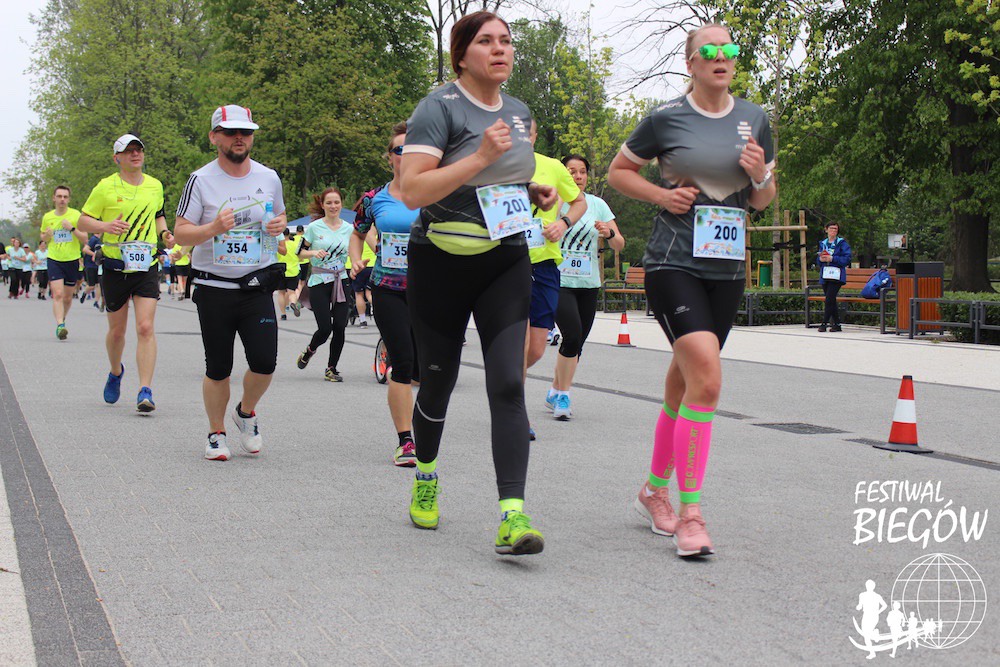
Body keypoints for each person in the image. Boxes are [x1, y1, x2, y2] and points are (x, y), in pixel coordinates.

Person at [608, 22, 776, 557]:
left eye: (730, 48)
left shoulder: (755, 119)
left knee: (684, 383)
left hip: (726, 269)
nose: (721, 56)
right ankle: (691, 515)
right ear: (691, 62)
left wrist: (760, 174)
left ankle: (652, 491)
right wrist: (661, 196)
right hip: (672, 263)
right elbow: (617, 173)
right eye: (710, 50)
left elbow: (763, 200)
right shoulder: (666, 118)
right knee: (707, 374)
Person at [400, 11, 558, 555]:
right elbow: (413, 191)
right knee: (437, 383)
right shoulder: (437, 108)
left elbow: (503, 179)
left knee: (508, 385)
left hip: (504, 260)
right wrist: (481, 156)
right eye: (486, 41)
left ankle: (513, 515)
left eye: (506, 41)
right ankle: (425, 475)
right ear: (462, 54)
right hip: (440, 262)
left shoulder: (519, 112)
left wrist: (530, 190)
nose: (500, 49)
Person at [173, 104, 287, 461]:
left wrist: (279, 226)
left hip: (256, 286)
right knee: (218, 367)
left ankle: (246, 412)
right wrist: (213, 228)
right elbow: (181, 233)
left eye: (246, 132)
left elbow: (279, 216)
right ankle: (216, 432)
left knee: (265, 363)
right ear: (214, 137)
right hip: (214, 287)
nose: (240, 138)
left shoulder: (269, 177)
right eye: (231, 132)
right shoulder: (200, 179)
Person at [78, 134, 172, 411]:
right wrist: (104, 226)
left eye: (138, 149)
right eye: (128, 151)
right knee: (117, 332)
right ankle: (115, 371)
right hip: (115, 266)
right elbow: (82, 221)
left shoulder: (155, 185)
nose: (135, 154)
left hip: (146, 265)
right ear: (116, 157)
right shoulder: (105, 187)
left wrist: (165, 234)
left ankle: (145, 390)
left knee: (145, 327)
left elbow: (158, 215)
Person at [350, 121, 421, 467]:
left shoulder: (437, 194)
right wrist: (355, 260)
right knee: (402, 362)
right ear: (390, 156)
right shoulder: (373, 198)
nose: (406, 155)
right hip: (388, 289)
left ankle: (427, 427)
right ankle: (406, 440)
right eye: (399, 150)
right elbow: (357, 233)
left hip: (431, 292)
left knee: (431, 367)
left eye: (413, 149)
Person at [545, 154, 624, 420]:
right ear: (563, 174)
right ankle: (563, 396)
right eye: (571, 171)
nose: (578, 176)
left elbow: (619, 244)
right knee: (572, 335)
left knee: (576, 343)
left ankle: (555, 390)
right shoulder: (553, 201)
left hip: (588, 283)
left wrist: (609, 233)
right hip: (559, 280)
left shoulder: (598, 204)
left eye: (582, 172)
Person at [522, 121, 587, 439]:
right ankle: (514, 413)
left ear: (535, 135)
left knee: (536, 349)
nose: (522, 135)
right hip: (506, 263)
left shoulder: (552, 166)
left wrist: (563, 223)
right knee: (518, 344)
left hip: (545, 263)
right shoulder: (492, 166)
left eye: (527, 130)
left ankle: (504, 384)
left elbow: (579, 201)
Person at [296, 187, 353, 382]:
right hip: (319, 280)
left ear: (341, 204)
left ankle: (331, 368)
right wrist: (313, 253)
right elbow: (299, 253)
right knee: (325, 328)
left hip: (341, 280)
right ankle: (309, 350)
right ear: (322, 205)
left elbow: (356, 250)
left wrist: (357, 262)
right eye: (329, 202)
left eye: (336, 202)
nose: (333, 206)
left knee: (340, 326)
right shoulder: (314, 227)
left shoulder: (349, 228)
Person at [817, 221, 852, 332]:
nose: (833, 231)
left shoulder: (842, 243)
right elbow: (818, 261)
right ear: (826, 229)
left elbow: (846, 259)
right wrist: (821, 259)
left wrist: (833, 259)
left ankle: (824, 323)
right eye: (831, 228)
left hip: (837, 275)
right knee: (831, 300)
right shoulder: (823, 243)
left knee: (829, 299)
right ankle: (837, 324)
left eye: (835, 229)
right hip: (825, 274)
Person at [275, 228, 301, 319]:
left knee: (281, 293)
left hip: (280, 270)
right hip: (293, 271)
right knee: (291, 292)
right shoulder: (294, 244)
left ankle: (283, 314)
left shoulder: (278, 246)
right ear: (289, 234)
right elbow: (300, 257)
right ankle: (293, 303)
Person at [81, 233, 104, 310]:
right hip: (90, 265)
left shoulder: (99, 240)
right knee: (91, 286)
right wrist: (94, 254)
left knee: (99, 284)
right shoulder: (93, 239)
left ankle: (96, 302)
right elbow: (85, 249)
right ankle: (85, 293)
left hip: (98, 266)